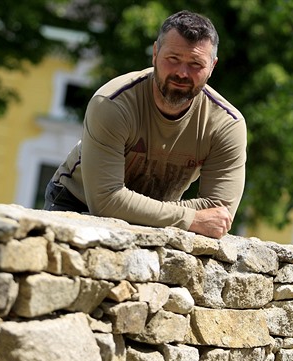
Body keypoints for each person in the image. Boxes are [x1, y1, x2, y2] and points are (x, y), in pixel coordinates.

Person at [43, 10, 247, 239]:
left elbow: (219, 213)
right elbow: (105, 201)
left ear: (212, 67)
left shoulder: (227, 125)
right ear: (155, 54)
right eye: (173, 59)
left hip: (160, 219)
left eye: (196, 64)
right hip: (77, 202)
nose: (182, 72)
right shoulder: (112, 104)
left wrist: (149, 211)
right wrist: (189, 218)